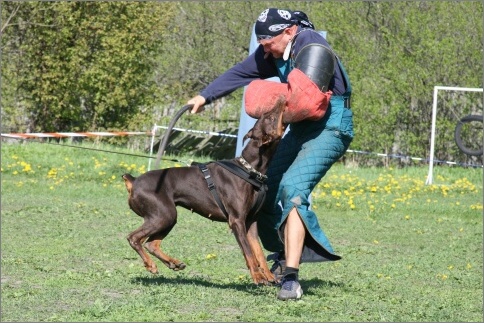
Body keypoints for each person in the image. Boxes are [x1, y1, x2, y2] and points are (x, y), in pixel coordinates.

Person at [188, 8, 354, 300]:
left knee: (293, 188)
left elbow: (309, 98)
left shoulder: (310, 42)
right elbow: (240, 72)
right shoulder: (275, 53)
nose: (264, 47)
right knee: (262, 188)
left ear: (289, 31)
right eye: (260, 41)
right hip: (300, 128)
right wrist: (205, 95)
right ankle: (282, 252)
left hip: (331, 127)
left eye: (268, 40)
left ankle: (291, 278)